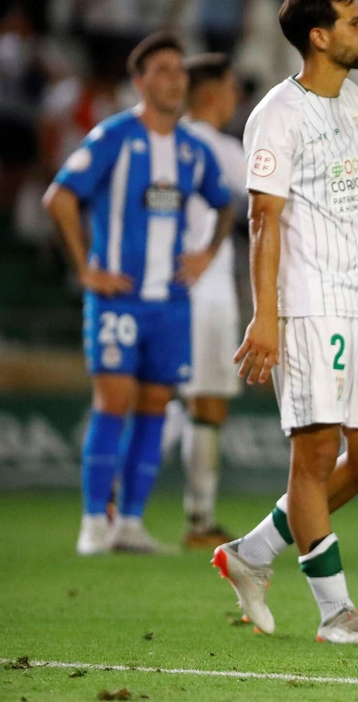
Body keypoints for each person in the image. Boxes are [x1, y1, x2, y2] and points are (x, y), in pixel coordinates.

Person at [215, 0, 358, 645]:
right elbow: (263, 217)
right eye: (353, 20)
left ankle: (253, 551)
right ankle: (336, 612)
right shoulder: (278, 114)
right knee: (313, 459)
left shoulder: (353, 101)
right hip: (310, 304)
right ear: (319, 36)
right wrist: (266, 315)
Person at [44, 32, 232, 556]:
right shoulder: (114, 136)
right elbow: (59, 198)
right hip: (119, 297)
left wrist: (206, 254)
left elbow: (225, 203)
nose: (174, 79)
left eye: (179, 70)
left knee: (154, 405)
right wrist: (86, 269)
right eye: (163, 70)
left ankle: (129, 522)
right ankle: (93, 522)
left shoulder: (193, 149)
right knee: (112, 401)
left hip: (170, 302)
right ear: (139, 81)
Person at [166, 53, 249, 550]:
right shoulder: (218, 147)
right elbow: (270, 195)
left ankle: (115, 494)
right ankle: (199, 519)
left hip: (173, 289)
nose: (237, 97)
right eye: (232, 88)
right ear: (212, 93)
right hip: (207, 292)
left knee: (176, 399)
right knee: (206, 402)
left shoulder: (168, 142)